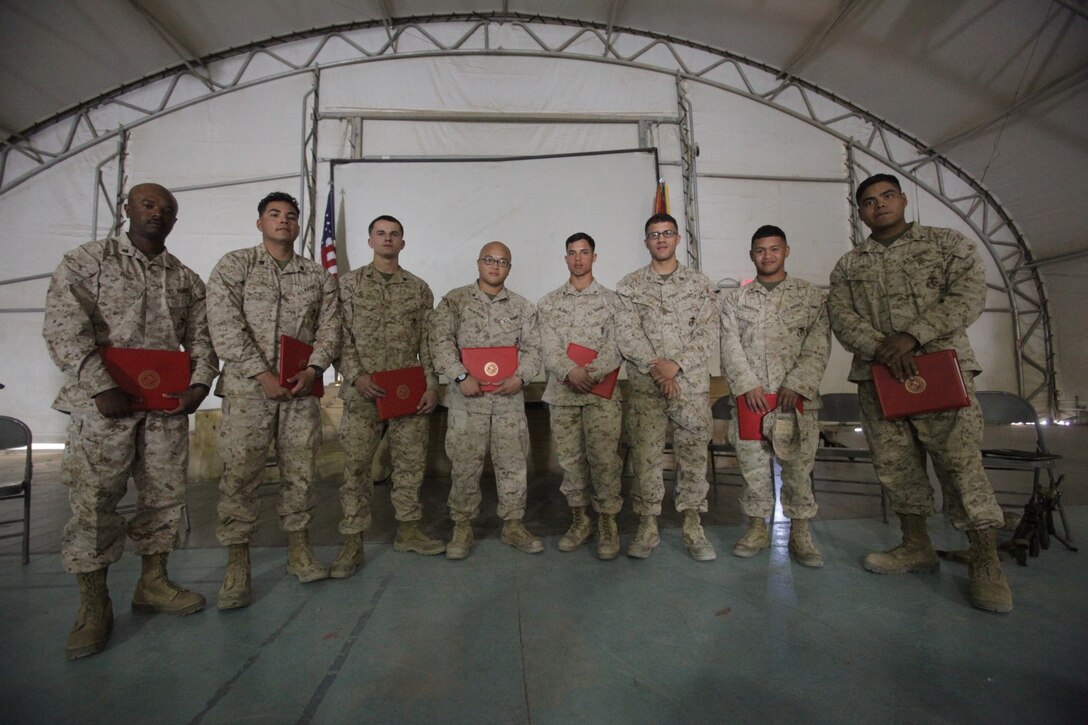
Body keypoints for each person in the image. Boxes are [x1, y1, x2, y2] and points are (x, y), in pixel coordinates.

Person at [43, 183, 219, 659]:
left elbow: (203, 341)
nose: (157, 214)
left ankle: (153, 584)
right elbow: (64, 324)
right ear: (127, 209)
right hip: (104, 408)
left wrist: (199, 386)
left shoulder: (184, 280)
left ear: (175, 221)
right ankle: (93, 605)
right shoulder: (87, 261)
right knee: (94, 501)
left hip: (163, 410)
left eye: (167, 209)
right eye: (148, 204)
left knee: (164, 498)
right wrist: (99, 384)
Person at [828, 173, 1012, 613]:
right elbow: (841, 315)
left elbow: (968, 296)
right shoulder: (851, 265)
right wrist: (881, 348)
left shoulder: (947, 244)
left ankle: (985, 560)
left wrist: (912, 336)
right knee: (896, 467)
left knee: (960, 464)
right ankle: (915, 545)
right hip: (880, 379)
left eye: (887, 196)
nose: (879, 205)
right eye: (869, 201)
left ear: (903, 199)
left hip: (940, 371)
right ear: (861, 211)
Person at [208, 191, 340, 609]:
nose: (283, 221)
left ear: (298, 225)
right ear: (260, 222)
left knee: (300, 473)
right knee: (241, 475)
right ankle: (237, 564)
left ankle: (299, 551)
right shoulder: (236, 266)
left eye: (291, 216)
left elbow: (330, 328)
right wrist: (262, 374)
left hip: (300, 392)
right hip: (250, 391)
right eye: (274, 214)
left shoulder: (317, 276)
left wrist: (315, 369)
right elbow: (224, 325)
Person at [334, 214, 445, 575]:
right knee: (356, 468)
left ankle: (409, 531)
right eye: (380, 234)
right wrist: (355, 376)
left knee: (410, 466)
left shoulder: (418, 288)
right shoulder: (347, 286)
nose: (387, 239)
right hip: (363, 391)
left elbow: (428, 343)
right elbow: (340, 338)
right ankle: (352, 541)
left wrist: (431, 384)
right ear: (370, 242)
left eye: (394, 234)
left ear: (402, 243)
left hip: (406, 391)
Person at [719, 225, 830, 566]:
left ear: (786, 251)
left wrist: (798, 383)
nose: (767, 255)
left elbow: (819, 344)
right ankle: (756, 528)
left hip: (794, 402)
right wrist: (746, 384)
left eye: (774, 249)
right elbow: (729, 345)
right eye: (760, 250)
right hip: (751, 401)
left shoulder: (811, 297)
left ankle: (800, 533)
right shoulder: (735, 300)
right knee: (753, 470)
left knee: (797, 470)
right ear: (751, 254)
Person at [429, 241, 543, 559]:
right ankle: (462, 527)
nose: (495, 266)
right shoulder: (455, 301)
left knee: (513, 466)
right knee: (465, 467)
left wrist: (521, 376)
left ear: (509, 267)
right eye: (489, 260)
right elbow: (439, 342)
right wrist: (460, 376)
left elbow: (535, 349)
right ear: (478, 263)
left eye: (502, 261)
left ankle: (513, 525)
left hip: (508, 401)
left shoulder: (522, 307)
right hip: (468, 402)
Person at [615, 213, 717, 561]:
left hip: (689, 388)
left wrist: (676, 366)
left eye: (667, 233)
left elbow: (707, 333)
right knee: (646, 458)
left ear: (677, 239)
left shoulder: (700, 284)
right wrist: (658, 369)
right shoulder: (629, 286)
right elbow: (627, 335)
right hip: (647, 389)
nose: (661, 239)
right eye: (654, 234)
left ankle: (692, 525)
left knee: (692, 457)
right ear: (646, 241)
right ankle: (647, 525)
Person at [537, 233, 625, 560]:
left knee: (604, 460)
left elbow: (616, 345)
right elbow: (547, 346)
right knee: (571, 462)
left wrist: (591, 373)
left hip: (601, 395)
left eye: (584, 253)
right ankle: (580, 520)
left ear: (594, 257)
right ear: (565, 259)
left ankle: (608, 524)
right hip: (563, 395)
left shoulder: (614, 302)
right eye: (572, 253)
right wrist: (569, 371)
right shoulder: (548, 303)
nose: (578, 259)